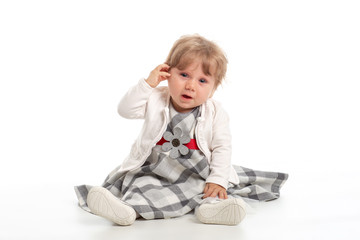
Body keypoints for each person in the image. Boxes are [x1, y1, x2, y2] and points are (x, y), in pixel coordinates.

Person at [74, 34, 288, 226]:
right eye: (184, 75)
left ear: (213, 88)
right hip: (154, 171)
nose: (191, 86)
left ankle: (211, 210)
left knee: (210, 189)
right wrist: (148, 84)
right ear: (167, 73)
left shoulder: (214, 112)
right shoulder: (157, 98)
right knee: (142, 186)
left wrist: (217, 180)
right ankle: (128, 211)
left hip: (195, 173)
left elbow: (223, 148)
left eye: (202, 80)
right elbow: (125, 110)